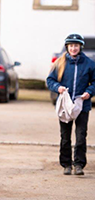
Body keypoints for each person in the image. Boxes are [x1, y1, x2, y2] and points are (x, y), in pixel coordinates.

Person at [47, 33, 95, 176]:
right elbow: (50, 80)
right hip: (65, 106)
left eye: (76, 46)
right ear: (67, 47)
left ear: (81, 47)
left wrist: (89, 92)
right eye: (71, 46)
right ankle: (66, 164)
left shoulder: (89, 64)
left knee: (81, 136)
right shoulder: (60, 63)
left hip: (83, 106)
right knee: (65, 136)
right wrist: (58, 88)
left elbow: (94, 82)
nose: (74, 48)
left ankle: (79, 164)